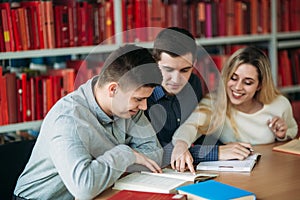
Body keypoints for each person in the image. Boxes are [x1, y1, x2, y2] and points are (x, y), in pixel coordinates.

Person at [13, 44, 164, 200]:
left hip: (101, 193)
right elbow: (84, 188)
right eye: (138, 99)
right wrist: (126, 154)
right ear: (113, 90)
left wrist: (103, 172)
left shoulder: (130, 109)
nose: (144, 107)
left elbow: (154, 154)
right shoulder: (68, 119)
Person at [145, 27, 253, 174]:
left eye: (185, 70)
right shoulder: (142, 96)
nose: (177, 80)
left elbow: (198, 130)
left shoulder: (194, 83)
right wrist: (216, 153)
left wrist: (227, 147)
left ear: (194, 63)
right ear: (154, 62)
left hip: (191, 171)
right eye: (168, 70)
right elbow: (152, 151)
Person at [174, 46, 298, 158]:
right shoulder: (214, 103)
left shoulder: (280, 104)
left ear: (260, 85)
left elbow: (292, 132)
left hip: (271, 166)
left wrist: (282, 134)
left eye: (248, 82)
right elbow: (191, 126)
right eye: (233, 78)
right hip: (236, 170)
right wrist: (181, 144)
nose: (238, 87)